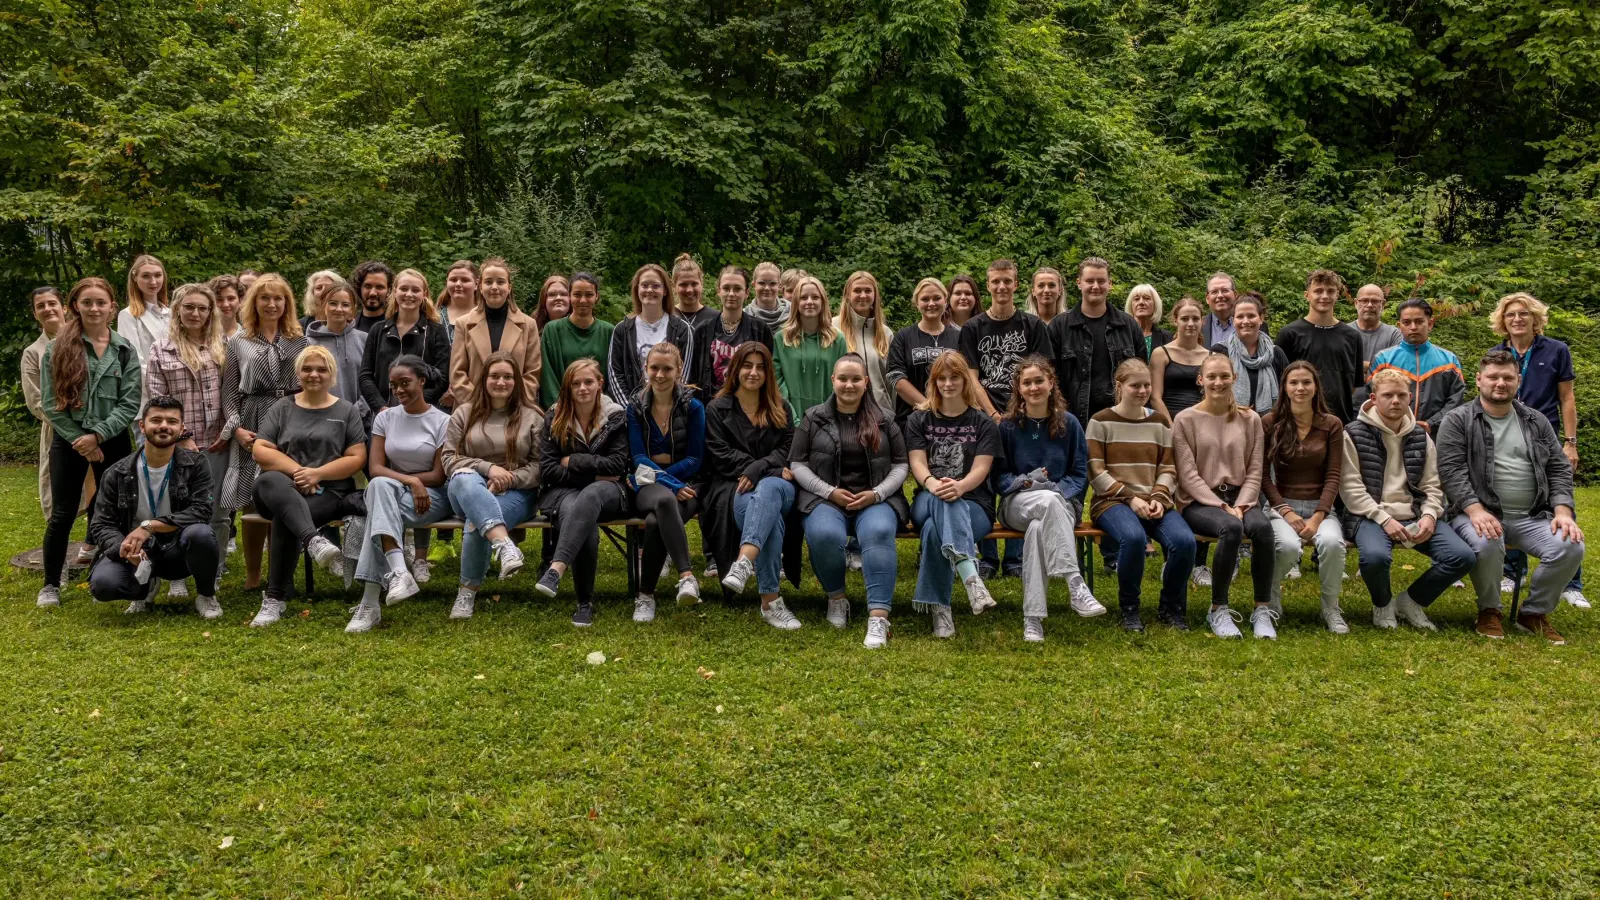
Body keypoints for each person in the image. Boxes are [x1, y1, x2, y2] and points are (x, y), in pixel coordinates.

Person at [1438, 350, 1585, 644]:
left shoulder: (1535, 420)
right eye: (1493, 377)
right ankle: (1489, 609)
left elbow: (1558, 467)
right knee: (1487, 540)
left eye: (1507, 377)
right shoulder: (1457, 420)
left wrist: (1563, 510)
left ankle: (1533, 613)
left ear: (1518, 381)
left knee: (1570, 546)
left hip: (1531, 516)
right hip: (1476, 513)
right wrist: (1476, 510)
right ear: (1479, 380)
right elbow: (1450, 471)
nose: (1500, 383)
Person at [1340, 367, 1475, 631]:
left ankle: (1412, 601)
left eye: (1402, 395)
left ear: (1410, 397)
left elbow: (1433, 484)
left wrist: (1429, 514)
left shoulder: (1420, 436)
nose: (1395, 401)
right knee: (1375, 558)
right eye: (1388, 395)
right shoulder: (1353, 434)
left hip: (1414, 513)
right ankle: (1382, 604)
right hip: (1370, 515)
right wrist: (1384, 518)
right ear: (1373, 398)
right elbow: (1351, 488)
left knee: (1461, 556)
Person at [37, 278, 143, 608]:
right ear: (75, 307)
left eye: (101, 302)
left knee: (116, 509)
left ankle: (112, 570)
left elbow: (130, 402)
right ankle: (51, 584)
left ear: (113, 307)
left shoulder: (124, 349)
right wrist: (81, 440)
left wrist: (97, 436)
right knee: (63, 513)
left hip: (112, 441)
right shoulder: (58, 348)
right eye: (87, 303)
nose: (94, 308)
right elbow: (51, 401)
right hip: (69, 441)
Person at [792, 354, 910, 648]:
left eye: (856, 379)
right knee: (823, 533)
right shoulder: (813, 418)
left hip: (875, 499)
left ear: (866, 382)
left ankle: (879, 617)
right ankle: (837, 598)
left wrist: (877, 494)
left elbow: (901, 465)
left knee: (879, 532)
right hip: (826, 499)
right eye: (843, 378)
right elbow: (797, 464)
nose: (849, 384)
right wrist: (828, 491)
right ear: (833, 380)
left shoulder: (885, 419)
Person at [248, 345, 368, 627]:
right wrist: (300, 473)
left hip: (328, 492)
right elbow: (261, 449)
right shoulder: (281, 407)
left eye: (321, 369)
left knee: (286, 515)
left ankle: (274, 599)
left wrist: (318, 475)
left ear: (332, 375)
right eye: (307, 369)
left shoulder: (346, 410)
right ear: (298, 373)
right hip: (279, 488)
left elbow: (357, 457)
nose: (314, 374)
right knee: (269, 478)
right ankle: (313, 540)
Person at [996, 355, 1105, 642]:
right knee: (1044, 503)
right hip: (1016, 504)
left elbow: (1080, 475)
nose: (1033, 387)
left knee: (1038, 527)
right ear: (1018, 388)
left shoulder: (1069, 424)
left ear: (1051, 383)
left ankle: (1033, 619)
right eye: (1027, 382)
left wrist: (1053, 489)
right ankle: (1074, 582)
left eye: (1039, 381)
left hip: (1061, 503)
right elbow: (998, 478)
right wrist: (1026, 481)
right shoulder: (1007, 427)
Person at [344, 356, 453, 633]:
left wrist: (416, 484)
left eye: (405, 383)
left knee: (377, 510)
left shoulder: (442, 421)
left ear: (422, 381)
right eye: (394, 386)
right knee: (379, 489)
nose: (399, 391)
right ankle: (398, 573)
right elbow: (376, 468)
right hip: (396, 491)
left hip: (431, 498)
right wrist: (409, 481)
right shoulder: (385, 417)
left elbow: (439, 475)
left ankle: (370, 603)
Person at [1490, 291, 1585, 607]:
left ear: (1535, 318)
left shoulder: (1557, 350)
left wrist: (1569, 443)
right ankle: (1510, 573)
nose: (1517, 319)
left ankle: (1571, 583)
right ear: (1503, 321)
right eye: (1510, 315)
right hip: (1505, 436)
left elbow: (1567, 398)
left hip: (1544, 439)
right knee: (1509, 499)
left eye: (1523, 314)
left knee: (1558, 501)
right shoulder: (1497, 353)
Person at [86, 397, 221, 618]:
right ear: (142, 425)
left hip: (178, 549)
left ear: (181, 428)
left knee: (201, 533)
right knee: (104, 585)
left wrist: (150, 526)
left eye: (172, 421)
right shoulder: (116, 472)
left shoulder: (196, 464)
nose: (164, 426)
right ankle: (144, 588)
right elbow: (101, 523)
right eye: (156, 420)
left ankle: (206, 596)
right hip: (137, 552)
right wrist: (123, 547)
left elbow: (201, 510)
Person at [1087, 359, 1196, 632]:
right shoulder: (1100, 421)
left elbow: (1169, 468)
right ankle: (1129, 608)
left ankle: (1170, 606)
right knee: (1134, 539)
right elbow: (1096, 472)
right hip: (1112, 502)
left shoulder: (1159, 422)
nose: (1142, 390)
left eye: (1147, 385)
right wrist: (1130, 498)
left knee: (1184, 542)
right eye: (1135, 385)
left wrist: (1158, 498)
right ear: (1120, 386)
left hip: (1154, 501)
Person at [1172, 354, 1277, 639]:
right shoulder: (1185, 420)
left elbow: (1256, 469)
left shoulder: (1250, 418)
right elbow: (1187, 474)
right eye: (1212, 376)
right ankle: (1218, 608)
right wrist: (1221, 506)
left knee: (1264, 529)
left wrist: (1241, 505)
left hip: (1241, 496)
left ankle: (1262, 609)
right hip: (1199, 501)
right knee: (1230, 528)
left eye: (1224, 376)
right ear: (1200, 380)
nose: (1218, 382)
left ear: (1234, 378)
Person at [220, 274, 309, 590]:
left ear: (287, 303)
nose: (272, 304)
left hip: (290, 419)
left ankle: (278, 571)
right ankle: (253, 573)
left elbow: (309, 386)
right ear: (253, 303)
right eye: (265, 298)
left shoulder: (301, 340)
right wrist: (237, 430)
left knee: (282, 495)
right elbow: (229, 394)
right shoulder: (239, 342)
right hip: (253, 419)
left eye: (278, 298)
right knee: (252, 503)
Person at [705, 342, 802, 629]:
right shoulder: (717, 409)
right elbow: (718, 452)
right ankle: (770, 602)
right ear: (736, 369)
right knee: (769, 517)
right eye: (747, 365)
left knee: (771, 488)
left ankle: (744, 562)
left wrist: (759, 468)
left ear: (768, 372)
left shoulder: (779, 407)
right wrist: (763, 467)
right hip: (735, 488)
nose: (753, 372)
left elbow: (788, 448)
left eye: (761, 367)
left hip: (778, 488)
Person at [905, 351, 1000, 638]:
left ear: (965, 381)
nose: (948, 384)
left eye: (954, 377)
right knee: (940, 503)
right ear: (934, 382)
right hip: (928, 498)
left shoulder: (983, 422)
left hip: (975, 503)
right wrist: (932, 483)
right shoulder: (920, 418)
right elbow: (917, 462)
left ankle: (940, 610)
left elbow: (981, 469)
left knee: (936, 530)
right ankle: (971, 577)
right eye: (942, 378)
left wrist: (960, 486)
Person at [442, 352, 544, 618]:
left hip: (517, 494)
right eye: (495, 376)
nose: (501, 382)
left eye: (508, 377)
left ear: (516, 381)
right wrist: (489, 469)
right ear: (484, 379)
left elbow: (539, 466)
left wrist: (507, 479)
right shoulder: (464, 413)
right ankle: (504, 545)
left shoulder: (532, 416)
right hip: (463, 490)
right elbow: (449, 458)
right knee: (465, 478)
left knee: (478, 520)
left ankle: (466, 592)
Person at [533, 359, 632, 625]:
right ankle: (584, 603)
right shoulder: (554, 416)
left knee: (589, 497)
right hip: (563, 492)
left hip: (609, 492)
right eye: (575, 384)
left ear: (600, 383)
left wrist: (574, 461)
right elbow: (549, 470)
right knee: (582, 516)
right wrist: (594, 472)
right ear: (568, 387)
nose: (582, 388)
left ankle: (555, 569)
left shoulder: (616, 416)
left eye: (588, 382)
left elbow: (618, 465)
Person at [144, 283, 228, 596]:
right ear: (178, 309)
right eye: (189, 307)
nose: (195, 313)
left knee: (217, 512)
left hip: (218, 442)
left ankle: (213, 572)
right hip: (176, 446)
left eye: (202, 308)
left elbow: (232, 393)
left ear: (210, 312)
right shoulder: (161, 348)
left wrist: (227, 431)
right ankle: (173, 574)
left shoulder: (223, 345)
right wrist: (183, 437)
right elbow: (158, 399)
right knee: (172, 509)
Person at [1262, 361, 1350, 632]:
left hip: (1320, 508)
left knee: (1333, 544)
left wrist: (1318, 516)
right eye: (1294, 383)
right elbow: (1263, 476)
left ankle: (1331, 606)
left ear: (1316, 388)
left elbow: (1334, 475)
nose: (1300, 387)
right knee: (1287, 548)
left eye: (1306, 382)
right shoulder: (1270, 421)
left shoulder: (1331, 425)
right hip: (1281, 507)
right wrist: (1285, 511)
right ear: (1285, 388)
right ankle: (1271, 595)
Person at [626, 343, 706, 618]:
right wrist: (671, 484)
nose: (659, 375)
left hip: (689, 481)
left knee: (653, 522)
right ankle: (686, 575)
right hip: (647, 482)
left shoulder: (693, 406)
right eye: (654, 368)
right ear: (645, 369)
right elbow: (638, 457)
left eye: (667, 369)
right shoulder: (635, 406)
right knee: (661, 498)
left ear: (678, 370)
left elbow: (696, 458)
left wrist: (674, 480)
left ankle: (645, 595)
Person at [22, 286, 91, 525]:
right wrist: (70, 427)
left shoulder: (88, 340)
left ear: (63, 307)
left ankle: (94, 544)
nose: (47, 309)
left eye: (52, 303)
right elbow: (36, 400)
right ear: (34, 313)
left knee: (99, 488)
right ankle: (58, 552)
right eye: (40, 306)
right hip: (58, 430)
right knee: (60, 495)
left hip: (95, 427)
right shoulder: (33, 353)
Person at [1048, 256, 1144, 422]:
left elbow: (1142, 374)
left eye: (1101, 281)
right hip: (1072, 420)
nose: (1095, 286)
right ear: (1079, 283)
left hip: (1120, 418)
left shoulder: (1128, 326)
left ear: (1110, 284)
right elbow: (1049, 376)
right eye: (1089, 281)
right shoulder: (1059, 326)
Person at [960, 259, 1053, 419]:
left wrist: (1024, 410)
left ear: (1015, 285)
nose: (1001, 286)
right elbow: (970, 378)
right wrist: (992, 414)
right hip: (984, 417)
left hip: (1027, 414)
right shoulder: (972, 328)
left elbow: (1042, 375)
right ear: (988, 286)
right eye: (996, 281)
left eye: (1007, 281)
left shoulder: (1033, 325)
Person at [449, 258, 543, 410]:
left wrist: (511, 404)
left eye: (500, 282)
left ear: (509, 287)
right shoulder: (464, 324)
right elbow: (457, 374)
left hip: (515, 411)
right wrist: (479, 404)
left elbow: (532, 373)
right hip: (473, 410)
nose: (494, 287)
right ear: (480, 287)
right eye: (488, 282)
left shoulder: (528, 325)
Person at [359, 268, 452, 416]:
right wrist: (380, 407)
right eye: (403, 289)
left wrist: (416, 405)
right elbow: (365, 375)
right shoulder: (378, 330)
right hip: (383, 415)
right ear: (394, 291)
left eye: (415, 290)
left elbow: (442, 377)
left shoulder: (436, 331)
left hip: (422, 415)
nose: (409, 294)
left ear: (424, 294)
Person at [1277, 269, 1364, 423]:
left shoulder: (1352, 336)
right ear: (1307, 295)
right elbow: (1280, 382)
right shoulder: (1289, 334)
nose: (1324, 296)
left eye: (1330, 291)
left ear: (1337, 295)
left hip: (1341, 421)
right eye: (1318, 291)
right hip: (1299, 422)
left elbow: (1353, 386)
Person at [1366, 298, 1465, 433]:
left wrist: (1431, 424)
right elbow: (1370, 397)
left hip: (1436, 435)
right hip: (1390, 433)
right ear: (1399, 325)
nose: (1413, 327)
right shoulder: (1383, 360)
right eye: (1406, 322)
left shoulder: (1449, 361)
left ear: (1430, 324)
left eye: (1419, 322)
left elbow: (1456, 400)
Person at [608, 264, 693, 403]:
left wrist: (667, 407)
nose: (649, 290)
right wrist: (630, 410)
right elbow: (615, 375)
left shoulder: (682, 329)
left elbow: (684, 374)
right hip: (632, 411)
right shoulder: (622, 330)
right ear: (637, 289)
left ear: (665, 290)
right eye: (644, 285)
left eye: (655, 286)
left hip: (670, 409)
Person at [886, 277, 962, 429]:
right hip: (912, 420)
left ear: (945, 301)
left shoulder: (959, 337)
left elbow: (968, 377)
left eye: (937, 298)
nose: (931, 303)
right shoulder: (903, 337)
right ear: (916, 303)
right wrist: (928, 405)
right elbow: (895, 377)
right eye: (925, 299)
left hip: (954, 421)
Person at [690, 266, 774, 402]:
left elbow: (769, 374)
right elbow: (694, 376)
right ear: (719, 291)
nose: (731, 294)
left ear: (746, 292)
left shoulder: (760, 330)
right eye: (726, 288)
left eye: (737, 289)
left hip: (749, 405)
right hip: (710, 407)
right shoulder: (703, 330)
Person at [772, 275, 846, 415]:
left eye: (815, 297)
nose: (809, 302)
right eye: (804, 297)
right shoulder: (782, 338)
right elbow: (777, 383)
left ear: (823, 301)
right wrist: (791, 417)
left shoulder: (837, 339)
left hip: (829, 418)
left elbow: (842, 382)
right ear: (796, 302)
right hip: (790, 418)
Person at [540, 272, 614, 410]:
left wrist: (602, 408)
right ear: (569, 296)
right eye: (577, 294)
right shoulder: (552, 330)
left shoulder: (608, 331)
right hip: (561, 411)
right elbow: (547, 377)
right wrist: (561, 410)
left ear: (596, 296)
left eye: (589, 295)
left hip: (600, 411)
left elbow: (612, 377)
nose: (583, 300)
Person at [303, 278, 370, 422]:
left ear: (352, 310)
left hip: (359, 421)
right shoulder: (308, 343)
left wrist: (354, 413)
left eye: (345, 305)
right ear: (323, 306)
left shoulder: (365, 340)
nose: (339, 309)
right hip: (319, 420)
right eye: (333, 303)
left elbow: (373, 382)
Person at [834, 270, 896, 415]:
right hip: (843, 412)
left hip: (881, 413)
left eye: (868, 290)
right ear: (848, 295)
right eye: (857, 290)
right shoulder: (833, 329)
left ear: (875, 295)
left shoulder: (886, 333)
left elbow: (892, 381)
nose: (863, 295)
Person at [1220, 293, 1287, 415]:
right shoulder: (1221, 351)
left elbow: (1287, 393)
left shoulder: (1275, 353)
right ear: (1233, 321)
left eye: (1251, 316)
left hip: (1269, 424)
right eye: (1240, 316)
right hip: (1229, 420)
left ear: (1261, 318)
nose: (1246, 321)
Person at [1149, 295, 1208, 423]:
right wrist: (1171, 426)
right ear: (1175, 321)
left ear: (1202, 321)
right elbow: (1155, 397)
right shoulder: (1161, 354)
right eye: (1185, 319)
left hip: (1200, 421)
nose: (1190, 323)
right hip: (1167, 421)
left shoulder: (1210, 357)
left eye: (1195, 319)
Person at [117, 254, 171, 373]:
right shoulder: (128, 315)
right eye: (146, 276)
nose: (153, 282)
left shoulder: (171, 314)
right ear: (135, 278)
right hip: (149, 385)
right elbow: (133, 361)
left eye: (157, 275)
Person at [1353, 283, 1401, 374]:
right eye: (1364, 300)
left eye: (1375, 301)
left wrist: (1358, 366)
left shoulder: (1394, 335)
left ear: (1383, 304)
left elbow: (1398, 369)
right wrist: (1380, 367)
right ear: (1356, 303)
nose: (1369, 305)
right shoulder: (1344, 332)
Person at [671, 253, 720, 333]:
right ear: (674, 286)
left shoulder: (716, 318)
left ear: (702, 283)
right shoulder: (666, 318)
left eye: (694, 284)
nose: (689, 290)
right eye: (683, 284)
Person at [437, 260, 482, 343]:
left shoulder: (485, 316)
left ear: (476, 284)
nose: (458, 284)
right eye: (453, 280)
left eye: (465, 280)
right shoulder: (434, 316)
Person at [348, 260, 393, 334]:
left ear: (389, 290)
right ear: (360, 288)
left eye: (380, 287)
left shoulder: (396, 326)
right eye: (368, 286)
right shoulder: (349, 325)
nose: (373, 293)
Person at [1125, 283, 1170, 355]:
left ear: (1155, 304)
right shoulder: (1122, 335)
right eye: (1136, 299)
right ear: (1131, 305)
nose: (1141, 302)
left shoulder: (1167, 338)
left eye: (1146, 298)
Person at [744, 261, 790, 331]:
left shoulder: (792, 312)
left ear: (779, 285)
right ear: (754, 285)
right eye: (762, 283)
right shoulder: (744, 316)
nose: (767, 288)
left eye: (773, 283)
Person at [1200, 272, 1237, 347]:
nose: (1220, 295)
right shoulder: (1198, 326)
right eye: (1214, 292)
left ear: (1235, 295)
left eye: (1225, 290)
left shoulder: (1255, 324)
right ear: (1207, 298)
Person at [209, 274, 244, 339]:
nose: (225, 304)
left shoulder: (250, 338)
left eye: (231, 298)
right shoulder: (201, 336)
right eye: (219, 299)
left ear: (240, 301)